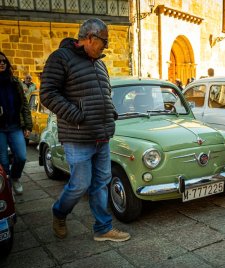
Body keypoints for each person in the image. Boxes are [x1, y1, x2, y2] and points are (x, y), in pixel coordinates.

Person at [40, 18, 130, 242]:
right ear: (90, 37)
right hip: (77, 136)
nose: (106, 46)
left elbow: (104, 94)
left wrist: (111, 112)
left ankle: (103, 228)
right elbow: (48, 94)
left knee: (101, 183)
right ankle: (59, 212)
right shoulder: (61, 58)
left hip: (101, 134)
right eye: (104, 41)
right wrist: (77, 115)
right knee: (80, 184)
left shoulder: (99, 63)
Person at [0, 51, 32, 195]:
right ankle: (6, 186)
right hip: (0, 128)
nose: (1, 63)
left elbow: (24, 104)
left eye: (4, 61)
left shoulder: (15, 82)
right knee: (3, 160)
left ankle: (15, 177)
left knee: (21, 156)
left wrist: (28, 125)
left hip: (15, 126)